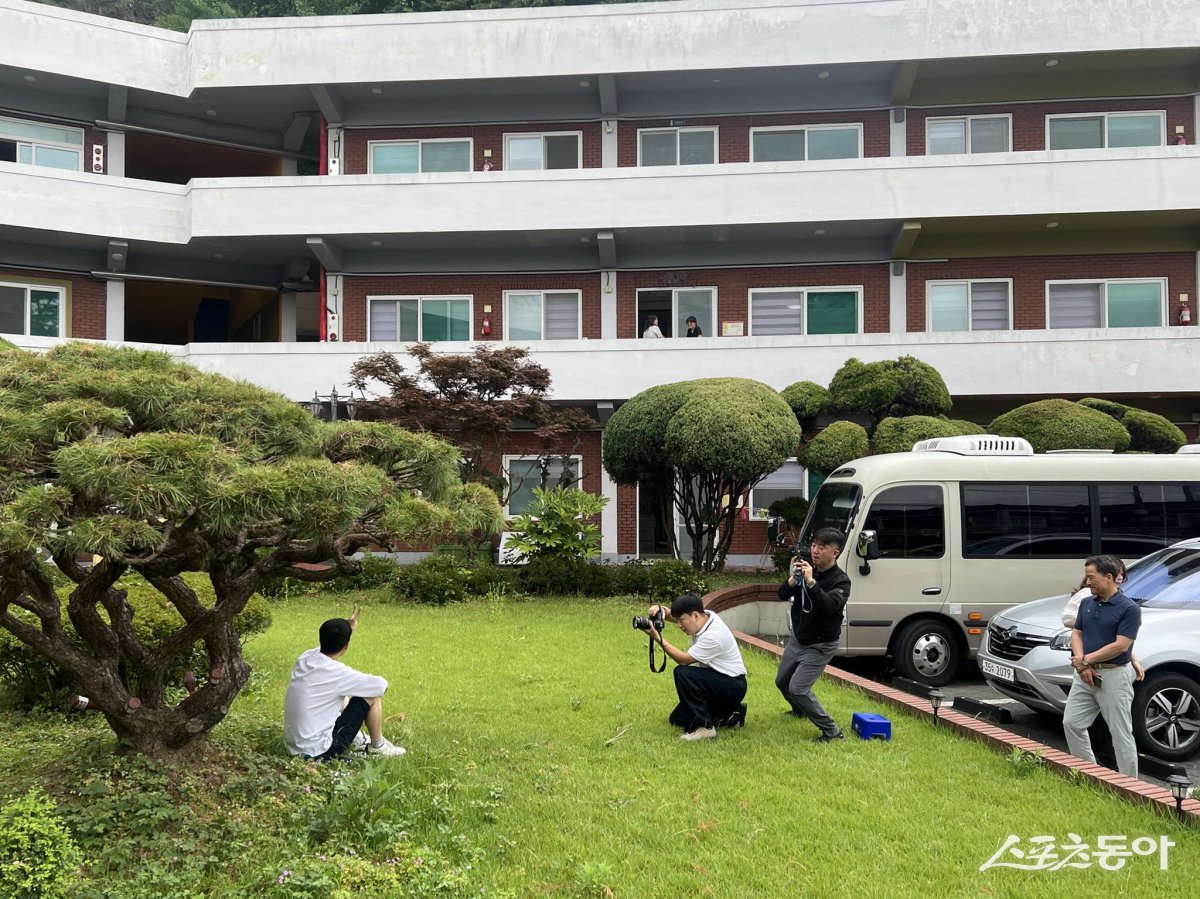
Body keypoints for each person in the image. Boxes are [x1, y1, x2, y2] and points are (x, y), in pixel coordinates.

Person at [283, 605, 406, 760]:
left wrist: (348, 629)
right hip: (319, 751)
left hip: (294, 746)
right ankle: (378, 746)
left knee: (342, 698)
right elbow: (381, 686)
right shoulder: (337, 674)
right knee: (372, 696)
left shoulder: (305, 658)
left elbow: (327, 646)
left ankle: (358, 739)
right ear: (346, 646)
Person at [1060, 555, 1144, 768]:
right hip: (1084, 675)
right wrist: (1081, 663)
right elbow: (1077, 632)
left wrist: (1085, 660)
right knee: (1072, 723)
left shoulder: (1129, 609)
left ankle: (1130, 789)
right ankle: (1089, 773)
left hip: (1114, 675)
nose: (1087, 583)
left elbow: (1121, 645)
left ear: (1108, 577)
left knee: (1121, 733)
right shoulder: (1087, 602)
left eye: (1091, 577)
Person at [775, 528, 851, 741]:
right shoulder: (809, 570)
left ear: (834, 553)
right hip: (799, 639)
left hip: (820, 645)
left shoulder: (841, 581)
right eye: (814, 545)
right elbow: (782, 594)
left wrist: (810, 581)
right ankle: (800, 709)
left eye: (822, 547)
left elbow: (828, 606)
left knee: (798, 688)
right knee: (782, 681)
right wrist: (793, 579)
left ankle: (832, 732)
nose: (815, 551)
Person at [643, 594, 748, 741]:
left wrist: (658, 638)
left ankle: (704, 728)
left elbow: (684, 660)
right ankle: (733, 715)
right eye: (678, 620)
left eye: (681, 621)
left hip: (732, 685)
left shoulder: (714, 636)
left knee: (683, 673)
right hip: (717, 680)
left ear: (696, 616)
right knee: (677, 719)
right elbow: (680, 616)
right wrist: (662, 611)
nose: (679, 625)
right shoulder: (706, 616)